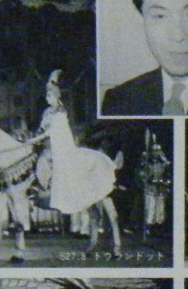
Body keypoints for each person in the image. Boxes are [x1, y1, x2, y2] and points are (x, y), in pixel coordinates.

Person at [33, 72, 123, 257]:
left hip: (64, 150)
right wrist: (33, 139)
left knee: (104, 202)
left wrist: (34, 140)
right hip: (52, 148)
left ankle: (117, 244)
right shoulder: (47, 112)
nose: (48, 98)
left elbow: (49, 133)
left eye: (50, 95)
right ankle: (93, 242)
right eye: (47, 95)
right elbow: (41, 129)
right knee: (40, 160)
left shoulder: (60, 112)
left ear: (56, 96)